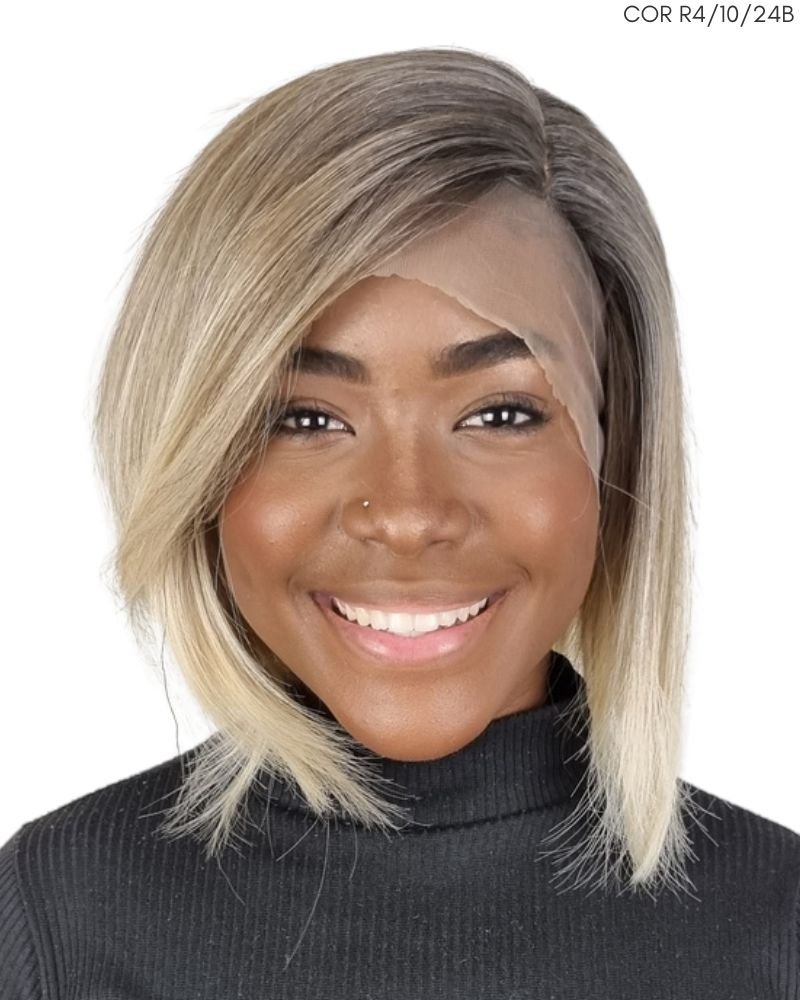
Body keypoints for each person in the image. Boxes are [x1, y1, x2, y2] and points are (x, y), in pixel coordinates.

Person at [1, 46, 797, 999]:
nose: (410, 515)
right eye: (305, 419)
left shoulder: (776, 929)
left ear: (615, 445)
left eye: (502, 413)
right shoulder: (59, 917)